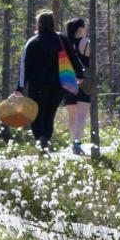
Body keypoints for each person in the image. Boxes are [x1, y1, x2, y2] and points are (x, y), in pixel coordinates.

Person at [16, 10, 67, 149]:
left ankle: (41, 139)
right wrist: (79, 76)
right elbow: (72, 59)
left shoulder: (32, 42)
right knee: (50, 114)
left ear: (39, 23)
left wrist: (19, 88)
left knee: (37, 114)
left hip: (37, 86)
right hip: (58, 86)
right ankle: (46, 138)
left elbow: (24, 65)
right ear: (53, 23)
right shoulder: (61, 40)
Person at [63, 17, 92, 155]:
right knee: (82, 114)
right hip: (83, 80)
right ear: (81, 29)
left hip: (68, 80)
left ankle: (72, 142)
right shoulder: (86, 43)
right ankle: (77, 143)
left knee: (72, 116)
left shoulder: (66, 43)